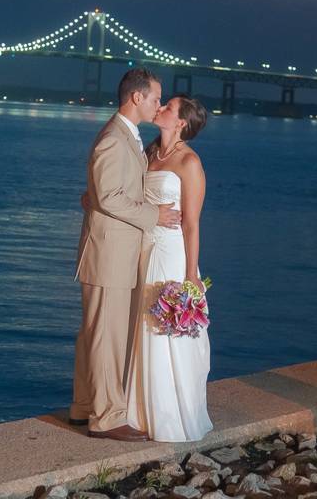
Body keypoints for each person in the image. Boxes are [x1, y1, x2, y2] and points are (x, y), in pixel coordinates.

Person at [70, 68, 182, 442]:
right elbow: (109, 196)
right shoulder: (114, 139)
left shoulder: (126, 137)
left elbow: (101, 193)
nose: (158, 104)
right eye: (154, 98)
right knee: (107, 335)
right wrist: (156, 216)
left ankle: (84, 406)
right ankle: (106, 417)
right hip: (108, 253)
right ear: (137, 97)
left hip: (113, 249)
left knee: (96, 333)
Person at [126, 93, 213, 442]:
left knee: (164, 328)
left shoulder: (189, 163)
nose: (160, 108)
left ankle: (171, 414)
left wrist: (191, 275)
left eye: (169, 107)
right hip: (144, 250)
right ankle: (139, 413)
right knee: (141, 326)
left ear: (180, 122)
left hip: (172, 255)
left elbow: (191, 224)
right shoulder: (149, 153)